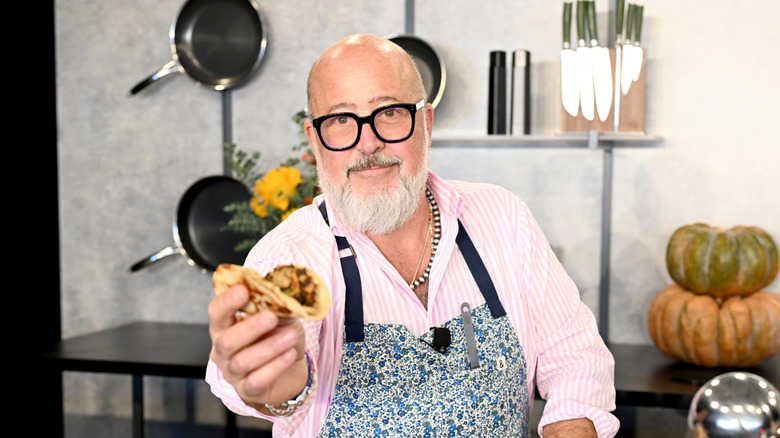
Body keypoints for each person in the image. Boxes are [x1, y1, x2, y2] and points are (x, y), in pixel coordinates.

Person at [206, 33, 619, 437]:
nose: (367, 143)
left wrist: (572, 427)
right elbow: (254, 381)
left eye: (389, 112)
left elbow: (575, 359)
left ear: (426, 122)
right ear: (315, 139)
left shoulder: (503, 218)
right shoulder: (289, 257)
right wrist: (279, 387)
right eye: (340, 120)